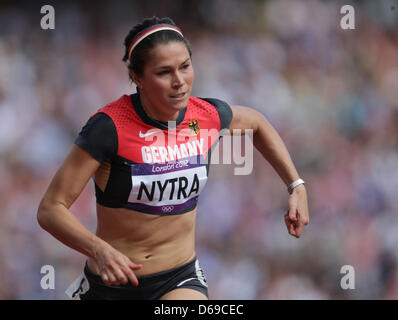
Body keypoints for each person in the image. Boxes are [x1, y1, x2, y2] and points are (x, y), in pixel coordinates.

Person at [37, 16, 309, 300]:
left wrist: (296, 185)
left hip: (178, 279)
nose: (179, 81)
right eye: (164, 72)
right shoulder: (108, 127)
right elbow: (50, 209)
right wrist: (99, 249)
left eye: (185, 66)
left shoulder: (204, 115)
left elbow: (257, 123)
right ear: (137, 78)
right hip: (110, 285)